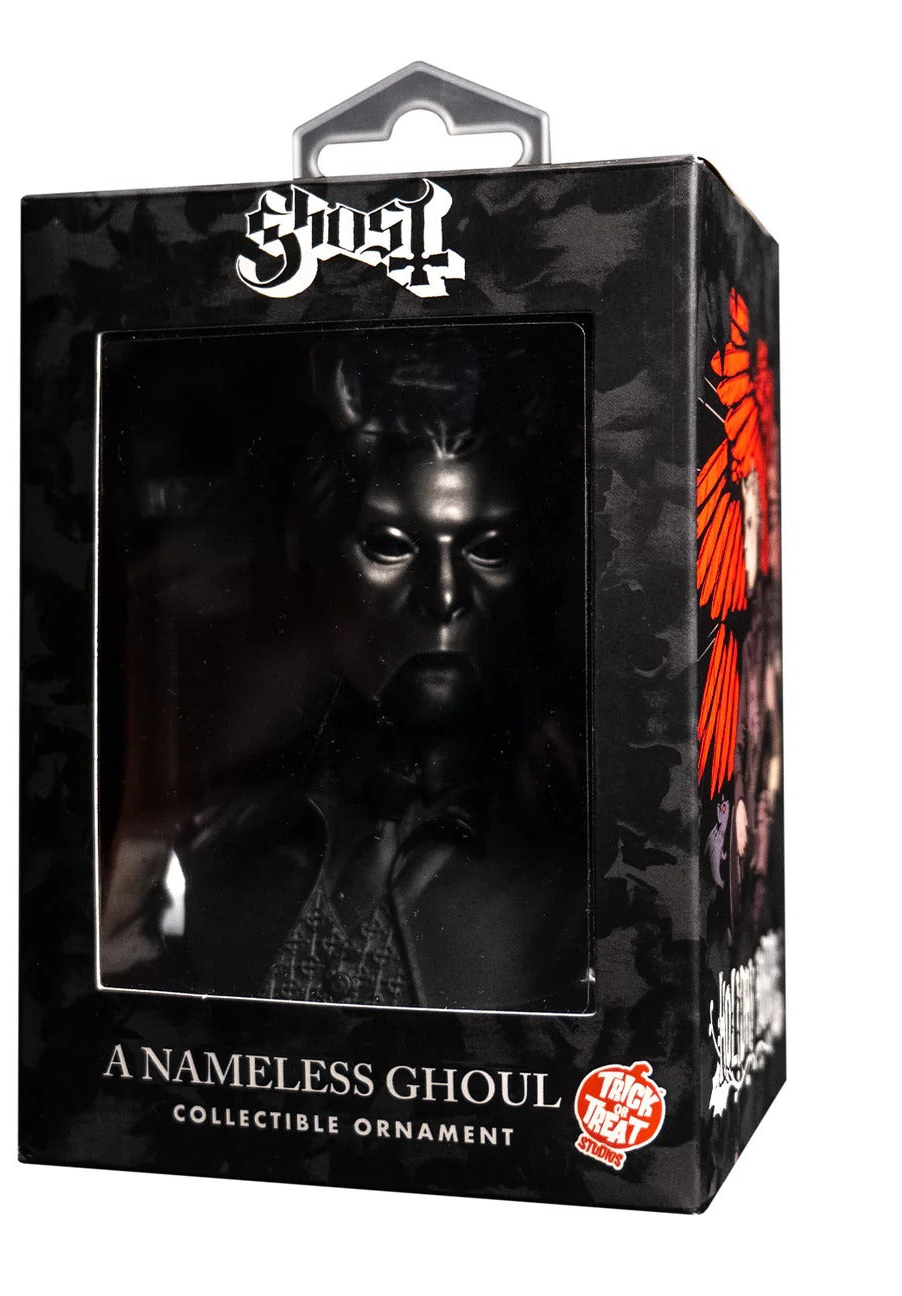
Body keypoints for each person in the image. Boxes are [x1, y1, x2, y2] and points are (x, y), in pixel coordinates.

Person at [109, 331, 589, 1011]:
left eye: (487, 548)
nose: (444, 595)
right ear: (305, 551)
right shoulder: (220, 830)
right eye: (390, 546)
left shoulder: (581, 863)